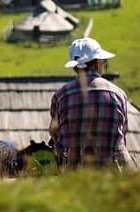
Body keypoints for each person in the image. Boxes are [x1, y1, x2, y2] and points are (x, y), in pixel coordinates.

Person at [49, 37, 132, 170]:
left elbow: (55, 135)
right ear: (97, 64)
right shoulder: (118, 94)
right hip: (113, 173)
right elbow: (123, 132)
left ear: (75, 67)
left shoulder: (60, 96)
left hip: (73, 174)